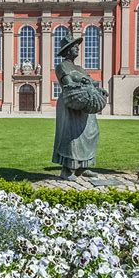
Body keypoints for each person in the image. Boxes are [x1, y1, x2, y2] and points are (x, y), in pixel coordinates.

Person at [52, 34, 108, 181]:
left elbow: (92, 82)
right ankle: (67, 169)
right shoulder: (62, 66)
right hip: (71, 102)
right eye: (74, 46)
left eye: (77, 46)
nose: (77, 48)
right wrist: (83, 86)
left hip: (86, 103)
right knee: (72, 136)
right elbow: (67, 83)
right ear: (67, 50)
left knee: (92, 132)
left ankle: (84, 166)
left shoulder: (80, 68)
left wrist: (99, 90)